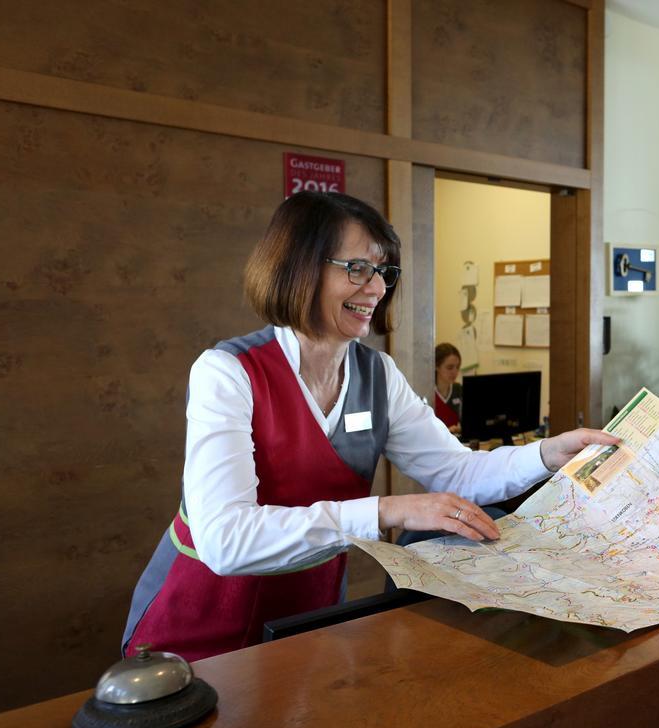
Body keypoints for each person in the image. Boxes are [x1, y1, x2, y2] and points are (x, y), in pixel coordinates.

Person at [122, 192, 616, 661]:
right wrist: (387, 510)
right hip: (201, 622)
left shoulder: (377, 374)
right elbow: (225, 539)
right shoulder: (227, 372)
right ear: (297, 267)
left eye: (383, 271)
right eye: (357, 268)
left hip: (306, 617)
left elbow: (456, 472)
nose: (377, 288)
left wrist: (549, 454)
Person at [433, 342, 463, 434]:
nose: (455, 372)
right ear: (436, 366)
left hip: (456, 442)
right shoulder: (427, 392)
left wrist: (461, 429)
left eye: (457, 367)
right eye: (450, 367)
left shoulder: (458, 389)